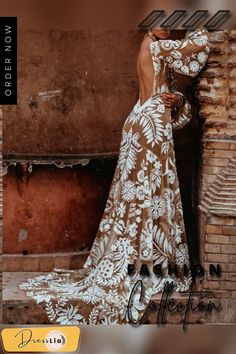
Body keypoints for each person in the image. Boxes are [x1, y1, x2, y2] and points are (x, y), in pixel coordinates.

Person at [19, 28, 210, 325]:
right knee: (149, 191)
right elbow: (197, 45)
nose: (168, 28)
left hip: (142, 118)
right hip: (149, 125)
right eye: (162, 23)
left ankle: (148, 255)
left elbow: (159, 87)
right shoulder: (157, 47)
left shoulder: (151, 47)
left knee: (141, 191)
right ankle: (145, 259)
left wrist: (174, 99)